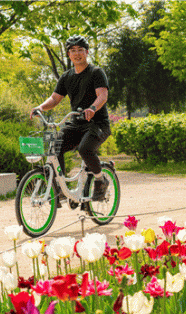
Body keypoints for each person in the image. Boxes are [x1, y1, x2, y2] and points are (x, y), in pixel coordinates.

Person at [30, 34, 110, 202]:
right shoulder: (66, 77)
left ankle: (100, 180)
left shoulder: (96, 72)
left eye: (80, 50)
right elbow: (54, 99)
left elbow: (102, 95)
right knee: (54, 147)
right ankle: (58, 189)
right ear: (68, 55)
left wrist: (93, 108)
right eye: (72, 51)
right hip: (76, 124)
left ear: (87, 52)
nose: (77, 53)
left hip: (97, 124)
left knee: (85, 149)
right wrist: (40, 108)